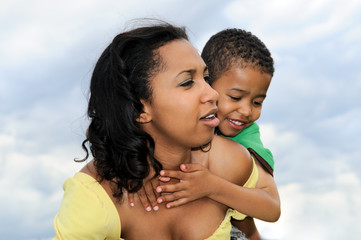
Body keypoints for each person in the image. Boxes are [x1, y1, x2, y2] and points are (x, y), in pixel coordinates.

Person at [53, 21, 278, 240]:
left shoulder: (232, 161)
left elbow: (255, 224)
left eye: (206, 78)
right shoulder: (96, 197)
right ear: (139, 109)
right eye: (187, 82)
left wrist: (213, 186)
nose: (212, 94)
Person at [142, 28, 280, 240]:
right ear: (206, 86)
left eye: (257, 102)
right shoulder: (179, 123)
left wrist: (211, 186)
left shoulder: (246, 138)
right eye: (235, 98)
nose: (246, 111)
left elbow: (271, 208)